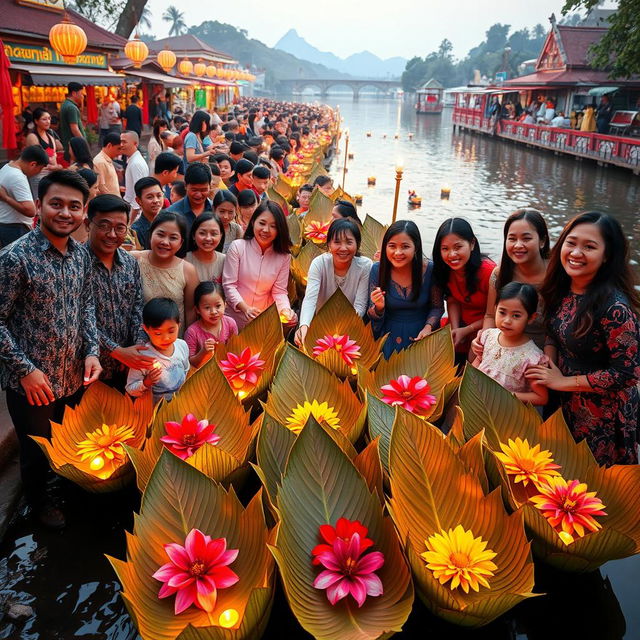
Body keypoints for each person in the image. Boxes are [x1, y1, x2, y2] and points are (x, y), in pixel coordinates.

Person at [0, 170, 101, 528]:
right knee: (35, 452)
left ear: (84, 211)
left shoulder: (80, 257)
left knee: (67, 440)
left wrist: (92, 351)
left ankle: (64, 491)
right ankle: (39, 506)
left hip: (73, 374)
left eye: (74, 206)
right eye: (55, 204)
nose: (65, 213)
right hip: (33, 385)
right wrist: (24, 370)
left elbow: (86, 306)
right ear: (39, 206)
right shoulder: (15, 258)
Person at [526, 212, 640, 466]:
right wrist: (549, 359)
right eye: (571, 242)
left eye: (589, 247)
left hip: (601, 416)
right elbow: (554, 333)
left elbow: (627, 374)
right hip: (562, 401)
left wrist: (563, 382)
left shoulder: (615, 308)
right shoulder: (564, 288)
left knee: (591, 487)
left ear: (607, 255)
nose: (576, 253)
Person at [85, 194, 151, 388]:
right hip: (88, 367)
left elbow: (137, 308)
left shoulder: (130, 263)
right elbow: (78, 320)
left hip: (127, 367)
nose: (112, 234)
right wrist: (117, 351)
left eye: (120, 228)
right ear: (88, 224)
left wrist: (134, 350)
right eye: (104, 226)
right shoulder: (75, 264)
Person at [368, 220, 444, 358]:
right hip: (388, 336)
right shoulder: (377, 270)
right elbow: (371, 313)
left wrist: (428, 328)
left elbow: (437, 307)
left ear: (416, 247)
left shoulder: (430, 270)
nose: (398, 252)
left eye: (405, 246)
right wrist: (379, 307)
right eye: (392, 246)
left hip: (421, 335)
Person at [479, 209, 550, 350]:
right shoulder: (500, 274)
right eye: (512, 238)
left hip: (541, 351)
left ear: (542, 241)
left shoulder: (556, 274)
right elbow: (490, 316)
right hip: (503, 345)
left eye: (526, 238)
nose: (518, 245)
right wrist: (485, 340)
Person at [295, 219, 371, 346]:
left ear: (357, 244)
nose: (343, 248)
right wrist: (304, 326)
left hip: (350, 329)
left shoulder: (365, 266)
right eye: (337, 242)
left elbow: (360, 306)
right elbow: (310, 299)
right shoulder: (319, 264)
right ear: (329, 244)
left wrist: (340, 333)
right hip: (320, 325)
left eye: (349, 242)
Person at [223, 200, 296, 331]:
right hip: (234, 318)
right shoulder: (238, 247)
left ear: (279, 229)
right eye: (262, 223)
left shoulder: (283, 256)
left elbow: (279, 291)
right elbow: (229, 285)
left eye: (273, 226)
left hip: (263, 321)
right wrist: (245, 308)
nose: (266, 230)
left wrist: (285, 310)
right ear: (253, 223)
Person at [472, 283, 548, 406]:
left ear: (531, 318)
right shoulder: (487, 336)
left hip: (506, 415)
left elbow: (541, 397)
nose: (507, 321)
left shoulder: (532, 357)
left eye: (516, 315)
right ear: (495, 308)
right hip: (478, 404)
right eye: (502, 312)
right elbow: (477, 363)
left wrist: (504, 394)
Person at [432, 218, 496, 360]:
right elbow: (452, 299)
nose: (452, 255)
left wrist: (466, 330)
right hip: (458, 324)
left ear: (472, 244)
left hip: (484, 329)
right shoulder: (445, 269)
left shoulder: (489, 273)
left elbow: (494, 315)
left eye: (458, 247)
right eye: (445, 249)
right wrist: (455, 329)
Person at [132, 211, 199, 329]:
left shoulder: (188, 270)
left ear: (180, 243)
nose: (165, 242)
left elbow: (190, 311)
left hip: (174, 342)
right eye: (161, 235)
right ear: (151, 234)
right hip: (139, 341)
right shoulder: (134, 260)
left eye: (173, 238)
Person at [126, 298, 190, 404]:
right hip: (155, 412)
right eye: (158, 333)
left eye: (171, 331)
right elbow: (130, 389)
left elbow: (186, 372)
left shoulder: (182, 346)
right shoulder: (143, 356)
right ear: (146, 329)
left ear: (179, 325)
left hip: (180, 405)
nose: (166, 338)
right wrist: (146, 382)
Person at [0, 145, 48, 247]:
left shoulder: (7, 166)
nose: (38, 173)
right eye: (39, 169)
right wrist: (6, 198)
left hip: (8, 226)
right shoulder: (18, 177)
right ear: (33, 164)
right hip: (15, 228)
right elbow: (31, 211)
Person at [185, 282, 238, 368]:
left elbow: (236, 351)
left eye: (218, 306)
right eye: (207, 307)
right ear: (197, 309)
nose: (213, 312)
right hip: (204, 375)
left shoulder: (230, 324)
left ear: (225, 304)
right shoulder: (192, 332)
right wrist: (203, 352)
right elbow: (190, 363)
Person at [167, 162, 213, 248]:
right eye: (194, 190)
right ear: (185, 186)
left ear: (210, 186)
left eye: (203, 190)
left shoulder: (216, 210)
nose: (199, 194)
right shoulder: (171, 214)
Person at [24, 107, 63, 195]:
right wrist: (53, 166)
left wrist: (57, 166)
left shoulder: (50, 135)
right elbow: (39, 158)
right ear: (36, 121)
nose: (48, 121)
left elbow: (56, 153)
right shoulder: (32, 137)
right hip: (39, 174)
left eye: (49, 118)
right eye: (44, 119)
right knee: (40, 199)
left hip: (52, 174)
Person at [186, 212, 226, 283]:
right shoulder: (184, 261)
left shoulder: (226, 261)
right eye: (202, 233)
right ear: (193, 235)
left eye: (214, 234)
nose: (208, 238)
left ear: (221, 236)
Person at [131, 177, 164, 250]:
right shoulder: (135, 231)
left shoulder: (171, 221)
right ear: (138, 201)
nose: (156, 201)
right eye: (150, 197)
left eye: (159, 196)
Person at [121, 130, 149, 215]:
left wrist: (131, 221)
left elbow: (138, 194)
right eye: (120, 142)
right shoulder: (132, 160)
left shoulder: (136, 163)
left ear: (135, 144)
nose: (121, 145)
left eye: (124, 142)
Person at [59, 82, 86, 158]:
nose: (82, 96)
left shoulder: (65, 104)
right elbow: (74, 129)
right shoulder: (71, 107)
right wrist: (83, 144)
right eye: (81, 93)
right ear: (74, 93)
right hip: (75, 148)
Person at [93, 131, 122, 196]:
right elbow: (101, 188)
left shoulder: (106, 160)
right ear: (109, 145)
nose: (120, 152)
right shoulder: (100, 162)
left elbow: (108, 184)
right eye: (118, 148)